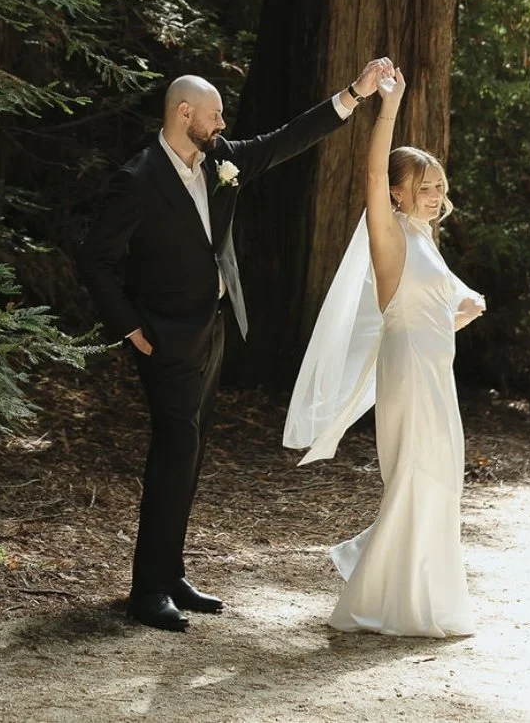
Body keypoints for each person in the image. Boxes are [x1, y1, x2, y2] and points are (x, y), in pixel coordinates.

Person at [78, 57, 395, 632]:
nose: (224, 122)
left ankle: (169, 574)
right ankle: (146, 592)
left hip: (213, 329)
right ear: (184, 114)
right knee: (174, 452)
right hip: (163, 338)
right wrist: (130, 327)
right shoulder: (139, 179)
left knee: (191, 453)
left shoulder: (220, 161)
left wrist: (354, 93)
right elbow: (95, 260)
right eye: (215, 113)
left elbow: (284, 141)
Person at [284, 70, 486, 637]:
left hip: (435, 373)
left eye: (440, 187)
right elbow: (373, 170)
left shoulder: (423, 238)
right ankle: (381, 598)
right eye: (425, 188)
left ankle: (415, 592)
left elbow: (432, 314)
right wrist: (389, 106)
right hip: (407, 374)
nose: (436, 196)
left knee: (442, 479)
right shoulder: (389, 231)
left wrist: (463, 311)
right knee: (417, 477)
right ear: (396, 191)